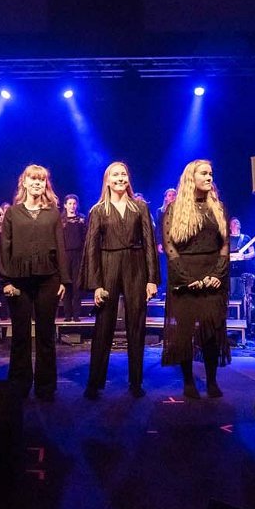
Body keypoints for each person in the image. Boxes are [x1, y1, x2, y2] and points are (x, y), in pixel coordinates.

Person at [80, 161, 160, 399]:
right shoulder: (98, 210)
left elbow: (149, 244)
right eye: (115, 174)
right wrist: (96, 284)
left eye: (123, 174)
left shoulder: (140, 207)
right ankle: (94, 383)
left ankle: (136, 382)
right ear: (107, 180)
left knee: (137, 324)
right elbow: (92, 248)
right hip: (108, 267)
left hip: (136, 267)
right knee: (103, 325)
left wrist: (152, 279)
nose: (120, 178)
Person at [161, 160, 231, 399]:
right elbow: (170, 247)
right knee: (185, 332)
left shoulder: (218, 207)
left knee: (211, 331)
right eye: (204, 173)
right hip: (184, 274)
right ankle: (189, 381)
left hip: (212, 272)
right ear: (192, 177)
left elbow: (225, 245)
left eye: (211, 173)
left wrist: (217, 274)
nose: (209, 177)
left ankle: (211, 381)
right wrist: (186, 277)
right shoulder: (174, 208)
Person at [0, 164, 68, 401]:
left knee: (46, 334)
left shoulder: (53, 213)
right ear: (24, 183)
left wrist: (64, 279)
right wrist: (5, 281)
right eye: (33, 179)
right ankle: (19, 384)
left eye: (41, 180)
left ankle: (45, 387)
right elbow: (4, 247)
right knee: (20, 334)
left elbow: (60, 247)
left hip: (48, 279)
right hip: (18, 281)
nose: (37, 183)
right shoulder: (12, 213)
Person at [61, 194, 87, 321]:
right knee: (66, 284)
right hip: (65, 255)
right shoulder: (61, 221)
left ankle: (76, 314)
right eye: (70, 203)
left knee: (77, 285)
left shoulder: (82, 219)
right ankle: (67, 314)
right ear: (65, 205)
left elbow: (85, 237)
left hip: (78, 255)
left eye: (74, 203)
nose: (72, 206)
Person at [155, 187, 177, 296]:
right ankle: (164, 287)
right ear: (166, 198)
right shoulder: (160, 211)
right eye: (169, 195)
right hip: (164, 242)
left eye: (173, 195)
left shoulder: (180, 211)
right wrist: (159, 243)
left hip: (176, 242)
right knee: (164, 265)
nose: (172, 197)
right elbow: (158, 228)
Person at [228, 217, 255, 301]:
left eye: (238, 221)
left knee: (244, 295)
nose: (237, 222)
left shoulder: (246, 238)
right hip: (230, 271)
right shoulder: (226, 239)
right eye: (234, 222)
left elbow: (253, 253)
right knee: (231, 294)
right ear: (230, 227)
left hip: (243, 270)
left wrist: (244, 256)